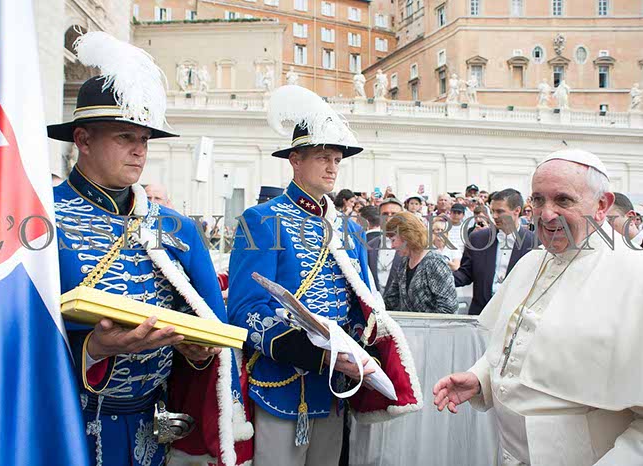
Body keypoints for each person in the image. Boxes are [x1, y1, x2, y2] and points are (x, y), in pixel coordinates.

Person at [47, 32, 252, 466]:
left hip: (154, 427)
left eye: (144, 139)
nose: (139, 151)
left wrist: (197, 353)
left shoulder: (178, 228)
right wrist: (94, 349)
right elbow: (15, 331)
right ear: (83, 139)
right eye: (125, 137)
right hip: (64, 423)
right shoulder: (43, 215)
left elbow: (210, 323)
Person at [228, 84, 421, 466]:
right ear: (295, 160)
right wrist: (317, 356)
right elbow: (246, 310)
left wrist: (358, 351)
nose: (333, 166)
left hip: (334, 387)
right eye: (322, 157)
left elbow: (361, 304)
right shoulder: (260, 220)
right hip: (282, 384)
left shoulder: (349, 230)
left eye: (336, 158)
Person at [434, 148, 643, 465]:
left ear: (602, 205)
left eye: (563, 200)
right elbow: (517, 346)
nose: (546, 214)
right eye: (538, 200)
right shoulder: (530, 263)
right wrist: (481, 378)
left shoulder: (634, 276)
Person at [453, 189, 535, 316]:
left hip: (514, 317)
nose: (494, 216)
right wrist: (438, 277)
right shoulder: (477, 239)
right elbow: (465, 274)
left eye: (500, 211)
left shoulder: (534, 244)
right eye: (492, 211)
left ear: (517, 211)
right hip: (480, 315)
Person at [383, 213, 457, 313]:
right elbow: (391, 299)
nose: (392, 246)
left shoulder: (435, 263)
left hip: (431, 324)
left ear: (407, 236)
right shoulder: (404, 262)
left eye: (393, 240)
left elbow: (449, 308)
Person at [367, 197, 404, 293]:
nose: (389, 218)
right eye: (385, 214)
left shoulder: (410, 247)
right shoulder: (369, 246)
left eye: (394, 214)